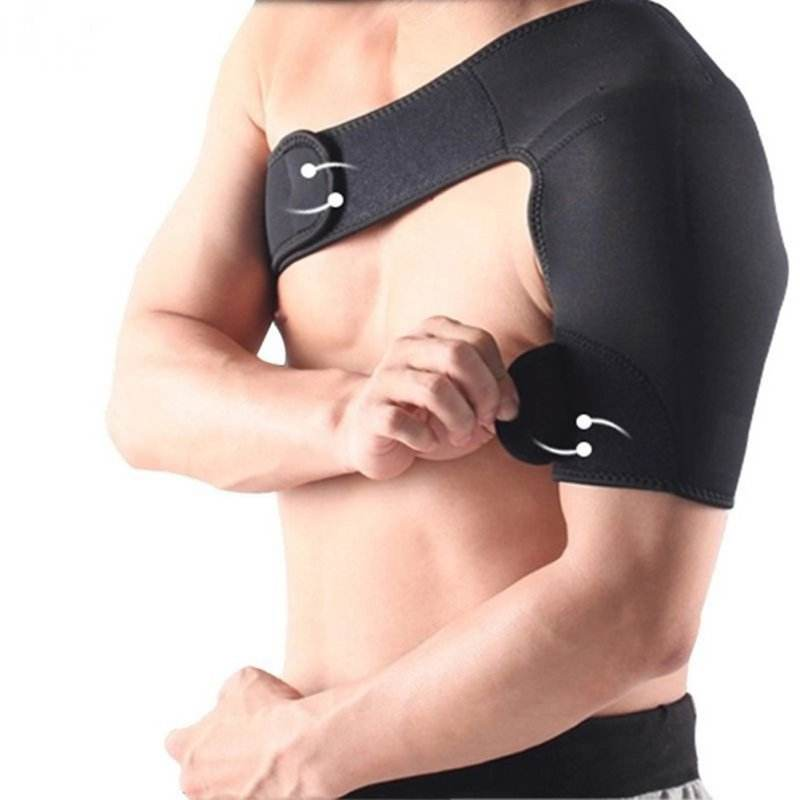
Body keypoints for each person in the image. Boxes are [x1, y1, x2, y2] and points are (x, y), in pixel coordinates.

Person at [106, 1, 787, 798]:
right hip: (314, 764)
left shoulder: (650, 103)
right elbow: (144, 393)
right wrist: (346, 419)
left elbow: (635, 613)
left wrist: (299, 757)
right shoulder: (287, 38)